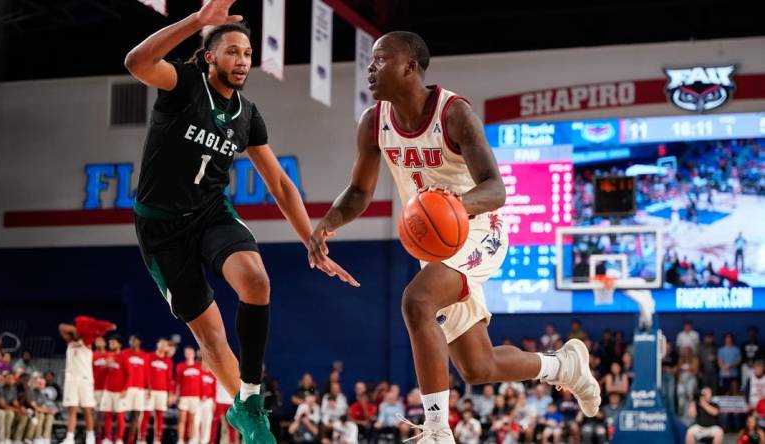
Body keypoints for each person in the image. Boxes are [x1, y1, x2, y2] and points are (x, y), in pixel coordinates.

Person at [307, 30, 600, 443]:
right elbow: (358, 192)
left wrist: (454, 208)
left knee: (416, 300)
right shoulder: (374, 122)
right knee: (478, 367)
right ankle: (563, 367)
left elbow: (496, 188)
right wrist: (327, 223)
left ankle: (437, 431)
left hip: (480, 226)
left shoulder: (454, 113)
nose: (370, 68)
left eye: (379, 59)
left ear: (409, 66)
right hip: (437, 244)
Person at [122, 1, 356, 441]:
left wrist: (312, 241)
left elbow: (282, 186)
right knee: (210, 338)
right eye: (232, 51)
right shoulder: (184, 84)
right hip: (161, 228)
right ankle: (242, 412)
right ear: (210, 56)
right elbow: (136, 62)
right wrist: (196, 21)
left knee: (256, 279)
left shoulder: (247, 115)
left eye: (247, 53)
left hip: (211, 213)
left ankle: (251, 402)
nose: (242, 60)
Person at [59, 317, 115, 444]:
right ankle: (69, 438)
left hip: (85, 379)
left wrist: (83, 329)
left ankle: (90, 438)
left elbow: (96, 328)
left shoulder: (87, 342)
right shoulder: (70, 341)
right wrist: (76, 329)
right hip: (71, 379)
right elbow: (61, 326)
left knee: (87, 410)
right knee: (71, 410)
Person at [143, 338, 173, 444]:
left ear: (167, 348)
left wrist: (169, 394)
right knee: (145, 415)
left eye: (166, 345)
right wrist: (147, 387)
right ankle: (141, 439)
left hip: (162, 392)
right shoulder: (149, 356)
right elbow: (145, 373)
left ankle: (157, 439)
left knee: (160, 416)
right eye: (162, 343)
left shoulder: (168, 361)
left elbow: (169, 379)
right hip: (150, 391)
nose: (163, 346)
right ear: (157, 344)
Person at [102, 335, 130, 444]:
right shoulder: (107, 355)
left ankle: (119, 439)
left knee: (120, 416)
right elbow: (102, 373)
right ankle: (107, 438)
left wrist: (125, 389)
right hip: (107, 391)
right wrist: (105, 366)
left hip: (119, 392)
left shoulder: (124, 357)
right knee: (107, 415)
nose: (111, 344)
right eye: (110, 342)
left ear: (119, 344)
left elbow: (129, 374)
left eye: (113, 342)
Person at [122, 335, 149, 444]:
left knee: (136, 415)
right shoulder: (124, 353)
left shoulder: (145, 356)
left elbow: (147, 373)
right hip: (126, 389)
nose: (132, 342)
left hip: (139, 389)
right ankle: (120, 437)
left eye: (134, 340)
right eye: (130, 340)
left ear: (139, 341)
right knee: (121, 414)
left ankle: (131, 440)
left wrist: (148, 387)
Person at [175, 346, 202, 444]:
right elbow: (177, 383)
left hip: (195, 397)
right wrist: (176, 395)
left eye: (190, 352)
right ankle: (180, 439)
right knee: (182, 419)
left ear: (194, 354)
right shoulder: (180, 366)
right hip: (184, 397)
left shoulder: (199, 367)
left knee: (192, 420)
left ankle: (191, 439)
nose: (188, 354)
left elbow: (201, 383)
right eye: (186, 352)